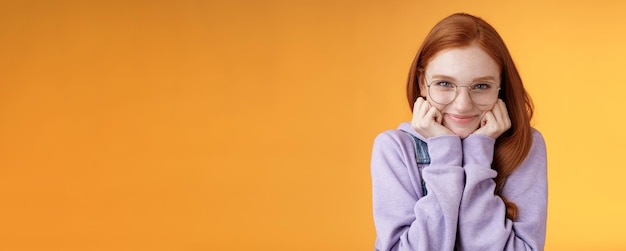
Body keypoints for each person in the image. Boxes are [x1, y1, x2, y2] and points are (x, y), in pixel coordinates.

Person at [370, 13, 547, 250]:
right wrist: (445, 155)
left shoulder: (526, 145)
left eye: (481, 86)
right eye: (445, 83)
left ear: (500, 88)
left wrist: (478, 154)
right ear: (423, 82)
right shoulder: (394, 149)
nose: (462, 104)